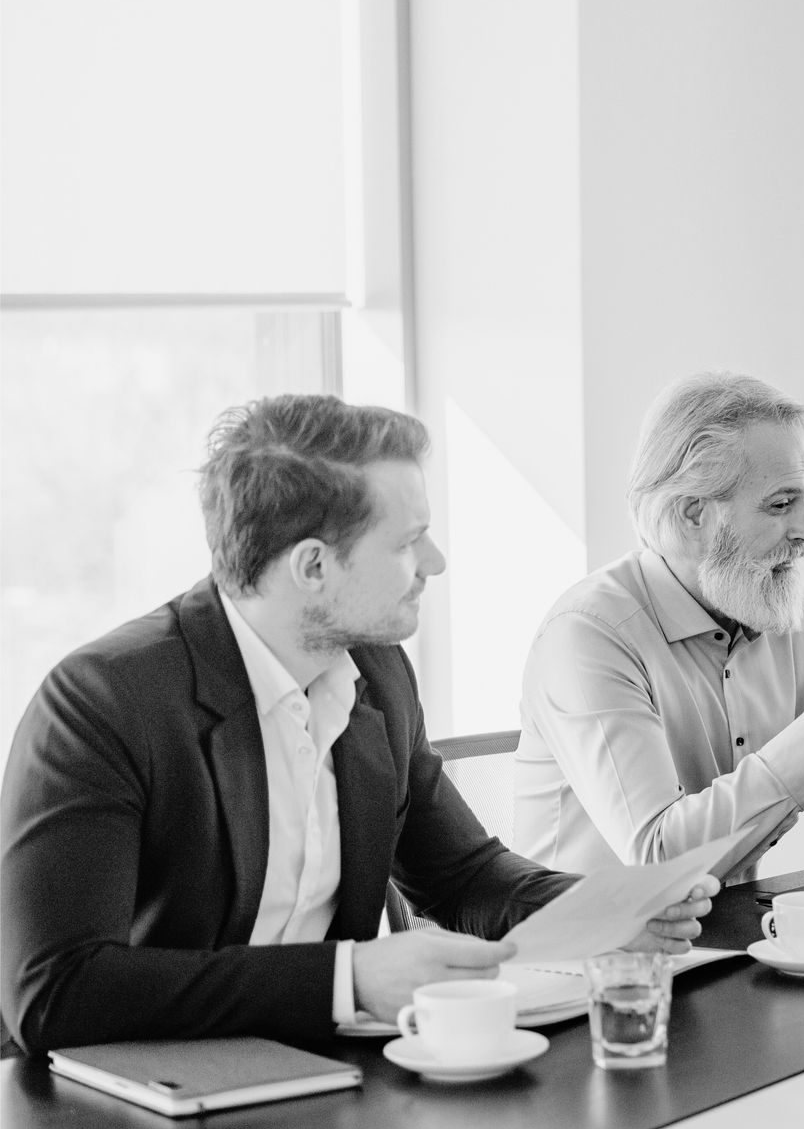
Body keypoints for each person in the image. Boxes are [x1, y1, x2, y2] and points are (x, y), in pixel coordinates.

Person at [0, 395, 714, 1057]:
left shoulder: (379, 673)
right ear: (312, 565)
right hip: (137, 1115)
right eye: (410, 542)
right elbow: (54, 991)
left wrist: (603, 913)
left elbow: (461, 877)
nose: (436, 563)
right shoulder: (102, 701)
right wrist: (349, 976)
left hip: (331, 1078)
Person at [515, 372, 804, 883]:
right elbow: (658, 857)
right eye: (782, 503)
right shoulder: (588, 634)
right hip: (592, 954)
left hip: (727, 942)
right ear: (694, 514)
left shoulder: (800, 619)